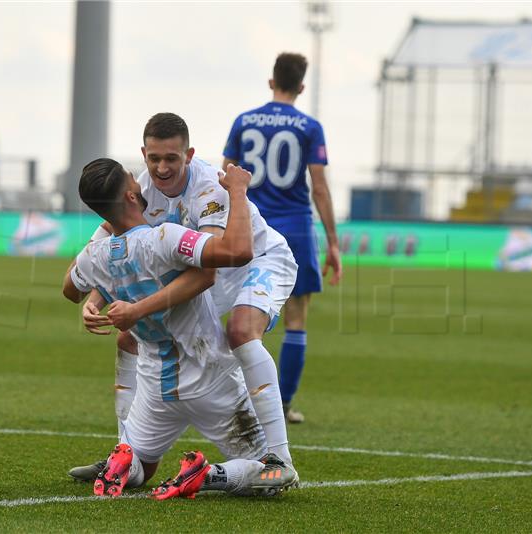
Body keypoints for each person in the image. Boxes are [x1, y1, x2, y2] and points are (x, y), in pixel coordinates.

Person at [69, 113, 298, 480]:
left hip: (258, 259)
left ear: (188, 155)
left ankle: (278, 458)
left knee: (240, 331)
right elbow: (111, 248)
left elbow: (209, 270)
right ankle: (125, 453)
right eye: (154, 158)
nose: (162, 168)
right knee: (130, 337)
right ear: (143, 154)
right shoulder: (138, 187)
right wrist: (95, 297)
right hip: (214, 269)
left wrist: (138, 307)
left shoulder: (208, 187)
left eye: (171, 159)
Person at [223, 53, 342, 423]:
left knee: (232, 309)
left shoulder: (244, 121)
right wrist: (333, 242)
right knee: (296, 317)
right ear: (301, 87)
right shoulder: (309, 126)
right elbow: (319, 187)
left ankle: (231, 397)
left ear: (271, 82)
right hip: (294, 228)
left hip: (249, 226)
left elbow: (224, 174)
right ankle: (283, 404)